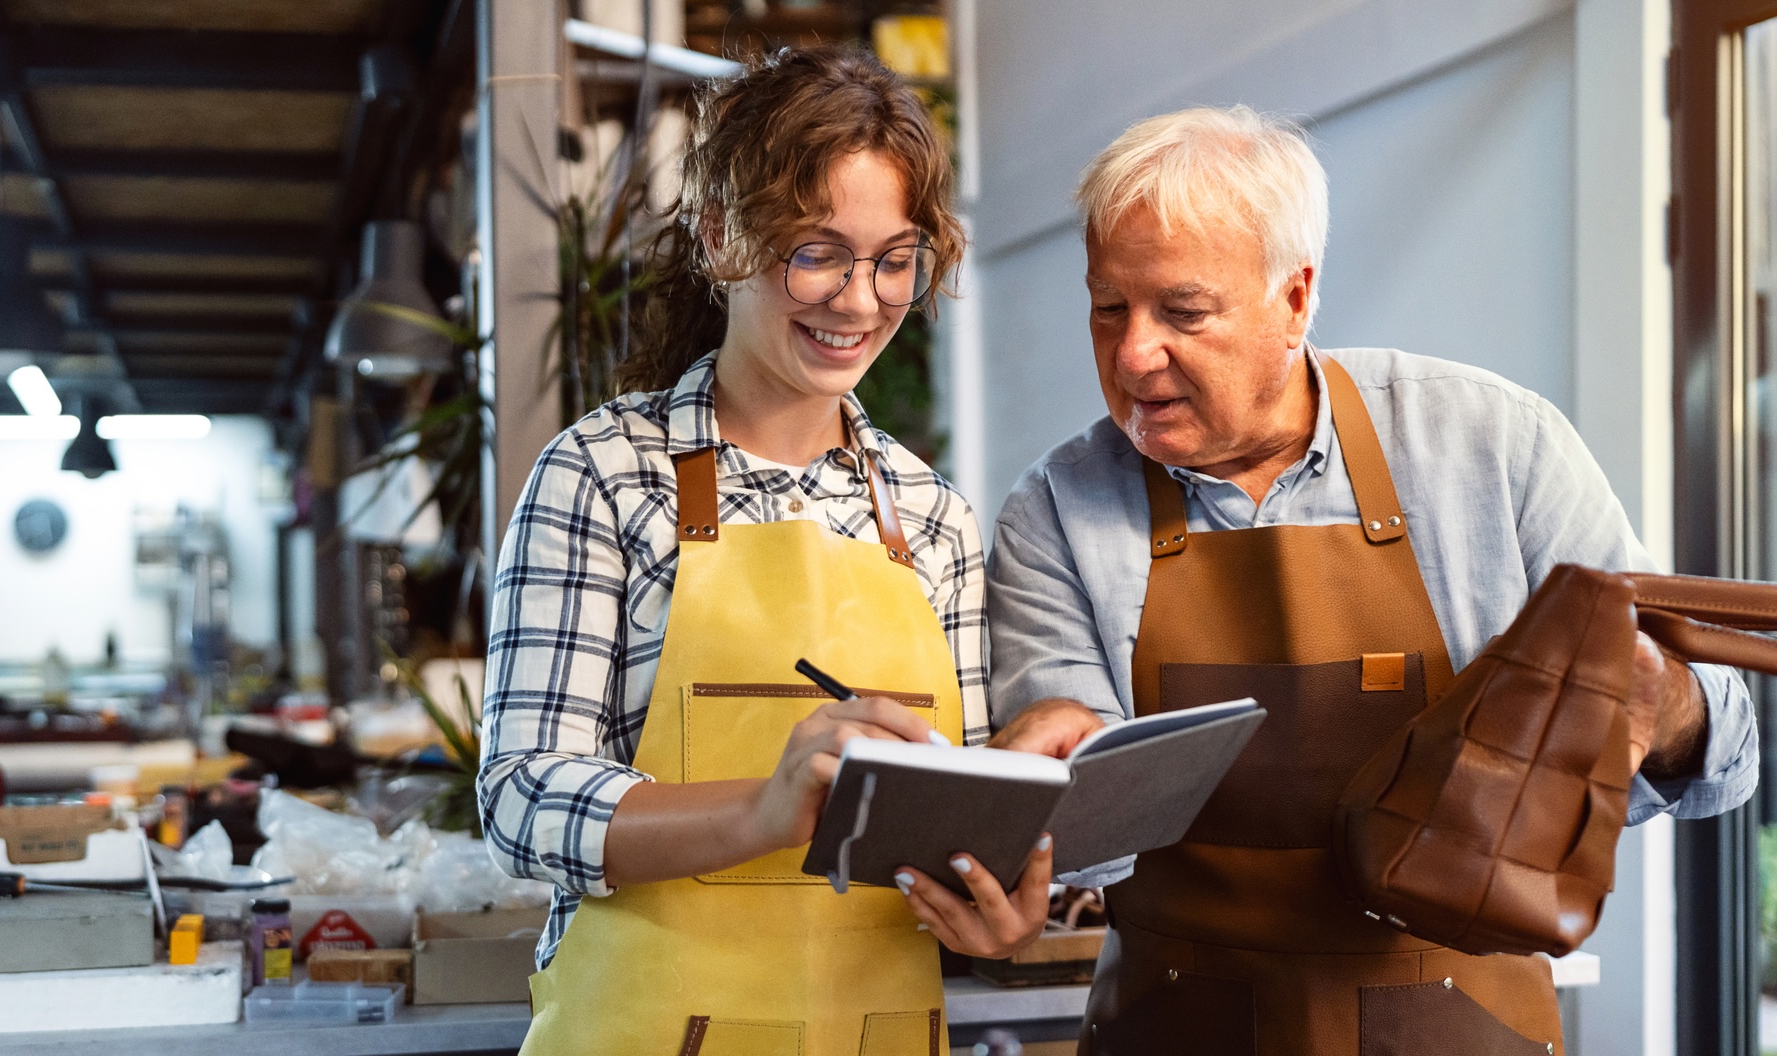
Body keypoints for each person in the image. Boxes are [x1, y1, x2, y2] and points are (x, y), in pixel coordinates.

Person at [986, 106, 1758, 1055]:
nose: (1134, 351)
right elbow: (1082, 848)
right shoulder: (1055, 510)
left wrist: (1658, 705)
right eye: (1110, 307)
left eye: (1182, 311)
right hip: (1177, 1025)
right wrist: (1047, 786)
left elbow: (1727, 752)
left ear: (1296, 298)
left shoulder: (1496, 447)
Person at [478, 46, 1049, 1056]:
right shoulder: (605, 473)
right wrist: (764, 811)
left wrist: (996, 903)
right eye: (817, 251)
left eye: (894, 259)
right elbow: (523, 799)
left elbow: (955, 808)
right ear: (719, 237)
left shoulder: (934, 518)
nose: (860, 300)